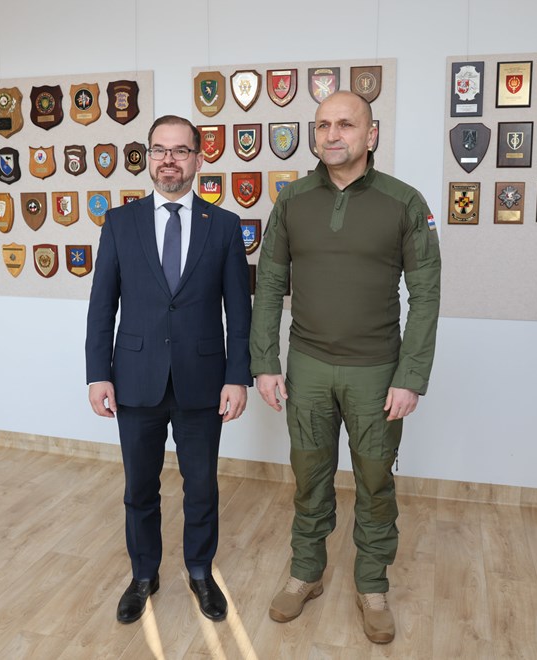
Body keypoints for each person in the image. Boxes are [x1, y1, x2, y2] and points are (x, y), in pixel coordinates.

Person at [250, 91, 441, 644]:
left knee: (375, 482)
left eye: (346, 124)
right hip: (307, 367)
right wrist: (264, 361)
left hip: (376, 372)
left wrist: (410, 376)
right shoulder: (291, 201)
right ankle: (306, 573)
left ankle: (372, 585)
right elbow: (269, 285)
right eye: (323, 125)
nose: (332, 135)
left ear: (371, 134)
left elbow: (426, 294)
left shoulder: (404, 203)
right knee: (309, 477)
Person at [86, 115, 252, 624]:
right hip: (136, 379)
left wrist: (237, 376)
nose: (168, 160)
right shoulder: (120, 223)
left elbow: (238, 311)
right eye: (159, 150)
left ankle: (200, 571)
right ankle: (144, 574)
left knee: (201, 486)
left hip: (203, 380)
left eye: (180, 151)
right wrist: (97, 373)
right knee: (140, 488)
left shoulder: (224, 226)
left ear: (199, 158)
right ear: (148, 157)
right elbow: (101, 306)